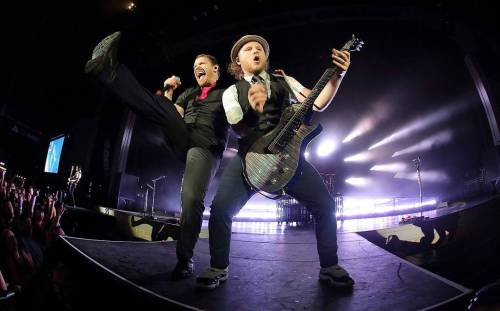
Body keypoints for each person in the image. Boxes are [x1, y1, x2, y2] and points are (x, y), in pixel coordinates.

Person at [196, 35, 355, 290]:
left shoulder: (285, 81)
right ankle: (218, 266)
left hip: (290, 158)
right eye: (248, 49)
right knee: (221, 210)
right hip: (250, 158)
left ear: (266, 58)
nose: (255, 51)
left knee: (325, 205)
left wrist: (339, 75)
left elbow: (318, 102)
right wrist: (254, 110)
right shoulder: (230, 93)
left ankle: (329, 266)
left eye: (260, 48)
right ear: (238, 60)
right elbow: (239, 130)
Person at [84, 32, 229, 280]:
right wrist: (169, 91)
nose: (196, 69)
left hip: (205, 148)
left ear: (215, 69)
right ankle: (107, 69)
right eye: (194, 67)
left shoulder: (226, 94)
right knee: (161, 102)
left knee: (192, 198)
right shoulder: (189, 94)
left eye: (201, 65)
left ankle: (185, 259)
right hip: (183, 138)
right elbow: (169, 114)